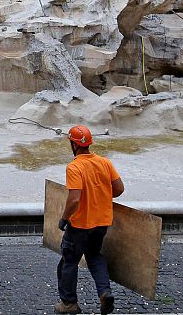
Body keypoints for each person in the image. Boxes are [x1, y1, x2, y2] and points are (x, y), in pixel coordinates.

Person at [55, 125, 125, 315]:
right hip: (101, 222)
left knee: (69, 261)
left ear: (74, 145)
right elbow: (119, 189)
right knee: (94, 256)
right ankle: (104, 292)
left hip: (80, 225)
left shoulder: (74, 167)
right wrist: (101, 196)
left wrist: (64, 218)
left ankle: (69, 304)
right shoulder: (104, 162)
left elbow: (74, 199)